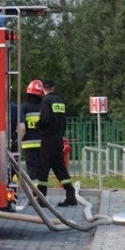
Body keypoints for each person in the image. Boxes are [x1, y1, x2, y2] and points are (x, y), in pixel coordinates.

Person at [37, 79, 76, 207]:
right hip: (58, 138)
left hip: (48, 139)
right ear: (53, 88)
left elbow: (44, 119)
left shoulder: (46, 101)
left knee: (43, 168)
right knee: (60, 169)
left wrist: (39, 127)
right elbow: (63, 121)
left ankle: (41, 198)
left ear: (43, 89)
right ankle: (71, 195)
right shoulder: (60, 101)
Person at [17, 79, 45, 196]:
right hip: (44, 143)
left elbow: (22, 128)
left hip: (29, 144)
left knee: (32, 169)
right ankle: (42, 192)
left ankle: (35, 193)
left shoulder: (23, 107)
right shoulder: (44, 106)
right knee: (42, 168)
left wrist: (17, 141)